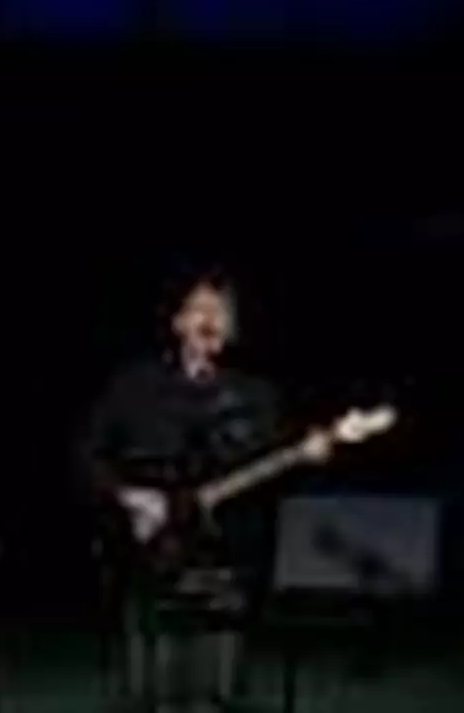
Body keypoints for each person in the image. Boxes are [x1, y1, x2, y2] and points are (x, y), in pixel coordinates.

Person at [81, 268, 332, 712]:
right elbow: (88, 453)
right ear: (178, 322)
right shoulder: (135, 384)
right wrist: (127, 495)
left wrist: (308, 455)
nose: (212, 320)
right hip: (149, 554)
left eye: (222, 313)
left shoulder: (256, 395)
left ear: (233, 330)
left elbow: (277, 475)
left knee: (220, 694)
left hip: (224, 557)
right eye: (201, 309)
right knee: (152, 694)